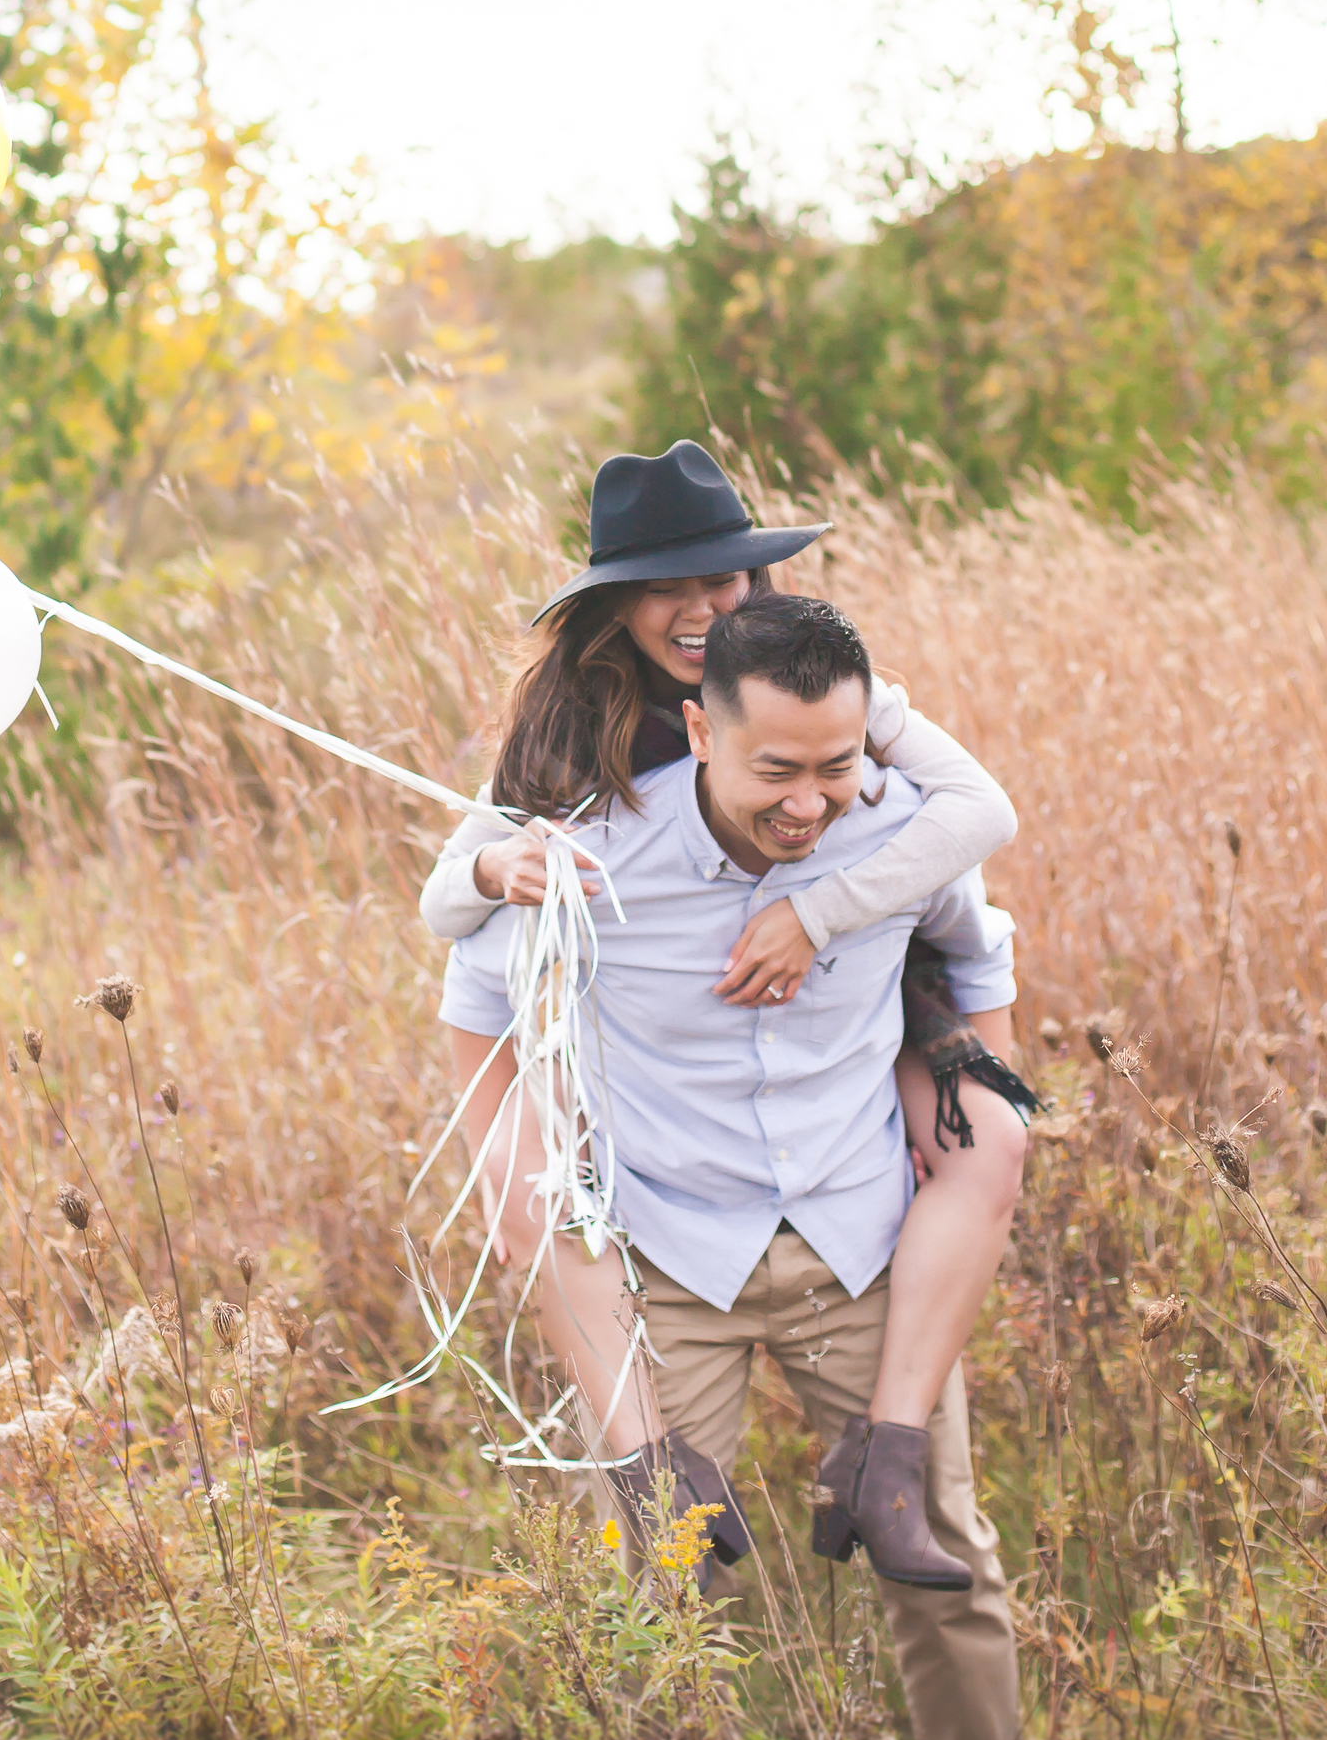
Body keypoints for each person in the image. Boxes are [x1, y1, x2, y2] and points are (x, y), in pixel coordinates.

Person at [435, 586, 1034, 1740]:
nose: (809, 803)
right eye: (776, 770)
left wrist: (974, 1112)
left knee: (948, 1566)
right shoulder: (590, 854)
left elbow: (974, 950)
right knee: (656, 1578)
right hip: (665, 1260)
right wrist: (520, 1186)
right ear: (700, 732)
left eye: (834, 766)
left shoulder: (899, 832)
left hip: (859, 1235)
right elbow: (478, 1010)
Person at [419, 442, 1035, 1550]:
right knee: (545, 1192)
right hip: (682, 1154)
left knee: (989, 1140)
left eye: (723, 579)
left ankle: (888, 1457)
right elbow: (450, 927)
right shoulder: (563, 745)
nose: (702, 606)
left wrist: (820, 912)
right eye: (668, 585)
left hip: (871, 982)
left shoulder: (810, 681)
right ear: (617, 607)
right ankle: (656, 1476)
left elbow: (978, 816)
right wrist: (486, 869)